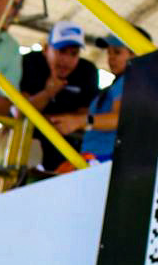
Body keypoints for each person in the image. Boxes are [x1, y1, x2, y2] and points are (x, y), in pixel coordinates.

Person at [17, 21, 102, 166]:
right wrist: (49, 93)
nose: (66, 60)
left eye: (74, 54)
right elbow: (20, 112)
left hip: (69, 150)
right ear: (46, 49)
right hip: (26, 143)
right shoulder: (31, 62)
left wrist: (45, 118)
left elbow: (85, 115)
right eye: (61, 51)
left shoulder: (87, 71)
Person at [78, 25, 150, 164]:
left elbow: (119, 118)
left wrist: (81, 121)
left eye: (117, 52)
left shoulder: (128, 80)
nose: (110, 58)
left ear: (136, 54)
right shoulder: (122, 84)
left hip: (103, 156)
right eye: (109, 53)